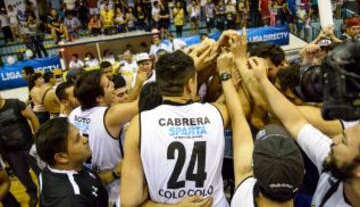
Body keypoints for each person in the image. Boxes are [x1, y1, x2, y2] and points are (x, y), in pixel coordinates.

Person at [121, 51, 229, 206]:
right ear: (191, 84)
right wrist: (228, 72)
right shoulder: (217, 113)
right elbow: (240, 105)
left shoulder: (138, 125)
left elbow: (128, 203)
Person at [248, 55, 360, 207]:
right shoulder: (332, 160)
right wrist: (262, 79)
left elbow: (266, 104)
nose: (333, 140)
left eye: (344, 141)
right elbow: (294, 121)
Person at [215, 52, 304, 207]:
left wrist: (225, 76)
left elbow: (238, 118)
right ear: (302, 174)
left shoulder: (243, 195)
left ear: (253, 171)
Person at [68, 70, 138, 205]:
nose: (113, 85)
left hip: (91, 183)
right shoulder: (109, 115)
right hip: (117, 186)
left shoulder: (74, 114)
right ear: (99, 98)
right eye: (107, 85)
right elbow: (144, 103)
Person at [35, 117, 109, 206]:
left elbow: (89, 181)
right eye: (77, 140)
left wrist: (115, 173)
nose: (85, 139)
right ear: (62, 157)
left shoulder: (50, 170)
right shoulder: (72, 200)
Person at [0, 95, 40, 207]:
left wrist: (37, 139)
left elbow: (33, 117)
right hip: (11, 152)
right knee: (22, 176)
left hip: (28, 146)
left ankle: (48, 190)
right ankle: (32, 193)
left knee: (41, 171)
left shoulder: (14, 104)